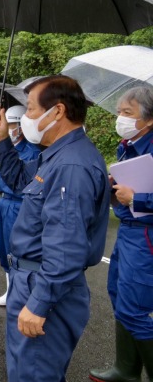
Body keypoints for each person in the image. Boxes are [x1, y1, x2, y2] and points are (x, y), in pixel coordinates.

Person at [0, 75, 110, 382]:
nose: (26, 117)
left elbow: (66, 247)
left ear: (58, 111)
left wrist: (39, 303)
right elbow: (18, 179)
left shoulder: (71, 166)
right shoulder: (56, 155)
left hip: (43, 285)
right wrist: (1, 139)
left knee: (33, 374)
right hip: (32, 280)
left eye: (30, 109)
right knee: (29, 371)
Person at [89, 86, 153, 382]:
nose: (121, 119)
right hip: (128, 231)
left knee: (136, 308)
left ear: (149, 118)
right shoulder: (127, 146)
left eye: (128, 113)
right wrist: (115, 189)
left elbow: (138, 195)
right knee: (118, 295)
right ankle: (126, 369)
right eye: (119, 112)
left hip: (146, 236)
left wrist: (136, 199)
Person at [0, 105, 40, 306]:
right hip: (4, 202)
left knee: (17, 250)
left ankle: (20, 293)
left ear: (22, 127)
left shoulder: (32, 151)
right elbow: (2, 176)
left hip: (19, 203)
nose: (9, 128)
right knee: (4, 248)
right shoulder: (6, 148)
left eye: (13, 125)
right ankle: (9, 291)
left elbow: (22, 180)